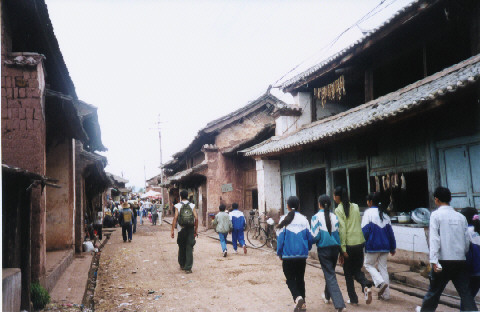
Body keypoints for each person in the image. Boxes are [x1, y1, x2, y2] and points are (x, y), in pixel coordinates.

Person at [416, 187, 477, 312]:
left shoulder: (436, 215)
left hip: (443, 261)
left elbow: (434, 239)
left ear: (436, 200)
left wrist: (434, 260)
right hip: (460, 261)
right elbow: (466, 241)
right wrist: (462, 254)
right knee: (465, 294)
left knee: (434, 292)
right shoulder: (461, 217)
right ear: (450, 199)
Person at [334, 186, 373, 305]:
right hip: (359, 243)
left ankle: (353, 299)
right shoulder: (355, 207)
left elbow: (342, 230)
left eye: (334, 195)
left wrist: (342, 249)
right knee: (357, 269)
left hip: (349, 245)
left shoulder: (338, 210)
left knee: (348, 274)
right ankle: (365, 284)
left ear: (338, 197)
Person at [276, 196, 313, 312]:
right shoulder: (304, 220)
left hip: (288, 256)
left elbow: (280, 240)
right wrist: (307, 248)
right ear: (298, 206)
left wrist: (279, 253)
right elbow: (310, 238)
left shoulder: (283, 219)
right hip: (302, 256)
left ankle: (297, 298)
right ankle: (303, 305)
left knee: (290, 279)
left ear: (287, 206)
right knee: (300, 279)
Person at [311, 194, 346, 312]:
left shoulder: (315, 218)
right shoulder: (334, 217)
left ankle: (340, 304)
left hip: (324, 250)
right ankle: (326, 296)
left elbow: (315, 236)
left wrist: (307, 244)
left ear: (319, 204)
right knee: (329, 272)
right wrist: (341, 252)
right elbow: (337, 236)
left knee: (330, 274)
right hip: (334, 249)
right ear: (330, 205)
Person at [362, 192, 396, 301]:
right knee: (383, 269)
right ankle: (386, 295)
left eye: (368, 201)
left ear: (371, 202)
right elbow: (391, 233)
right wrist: (393, 247)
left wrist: (362, 243)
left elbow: (365, 232)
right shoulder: (385, 214)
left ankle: (380, 283)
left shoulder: (368, 213)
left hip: (372, 245)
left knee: (368, 264)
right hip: (385, 246)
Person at [171, 190, 198, 274]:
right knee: (189, 247)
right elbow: (196, 218)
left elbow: (175, 217)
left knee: (181, 246)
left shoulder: (177, 206)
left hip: (181, 229)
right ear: (187, 196)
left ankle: (182, 264)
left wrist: (172, 230)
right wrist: (195, 229)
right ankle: (188, 268)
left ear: (180, 196)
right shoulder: (192, 205)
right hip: (190, 228)